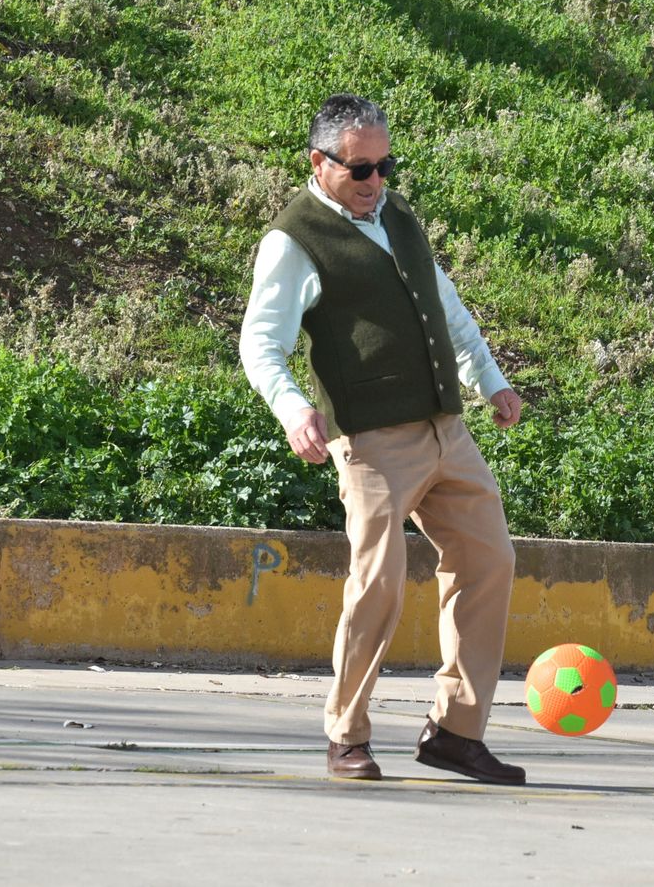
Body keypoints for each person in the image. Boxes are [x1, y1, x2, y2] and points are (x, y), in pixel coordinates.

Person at [240, 93, 526, 786]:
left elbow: (446, 305)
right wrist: (292, 410)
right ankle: (346, 735)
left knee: (490, 560)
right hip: (371, 443)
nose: (375, 182)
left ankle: (456, 732)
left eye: (385, 166)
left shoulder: (396, 215)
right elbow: (260, 341)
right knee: (379, 586)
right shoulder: (294, 239)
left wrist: (489, 380)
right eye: (359, 169)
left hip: (445, 429)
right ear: (320, 161)